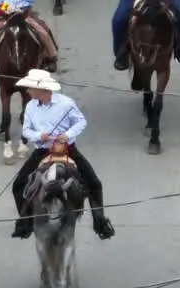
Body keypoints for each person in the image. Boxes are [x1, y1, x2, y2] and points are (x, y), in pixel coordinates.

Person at [8, 69, 115, 240]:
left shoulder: (66, 104)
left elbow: (81, 121)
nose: (27, 91)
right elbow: (27, 130)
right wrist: (39, 136)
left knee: (94, 183)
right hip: (42, 151)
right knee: (18, 185)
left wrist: (67, 136)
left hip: (67, 149)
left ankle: (100, 223)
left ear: (41, 88)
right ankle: (26, 222)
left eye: (30, 88)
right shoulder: (30, 106)